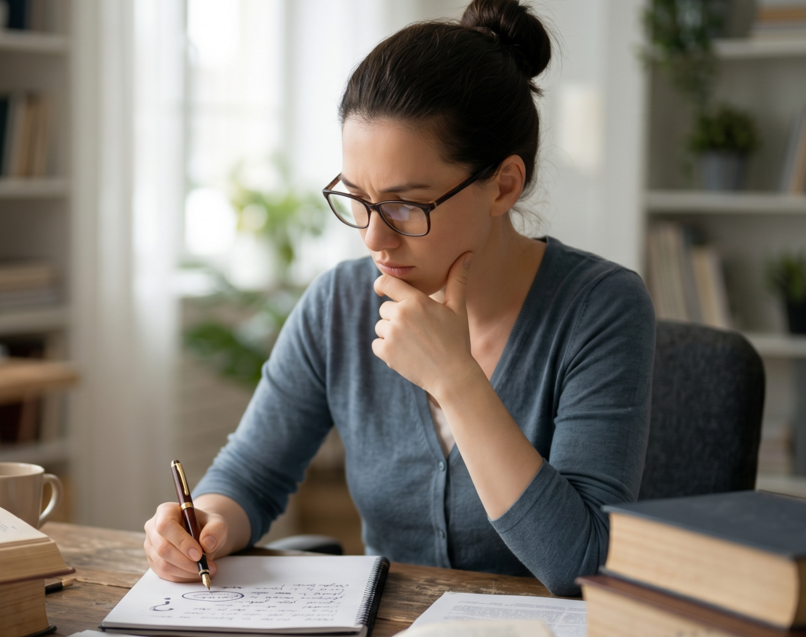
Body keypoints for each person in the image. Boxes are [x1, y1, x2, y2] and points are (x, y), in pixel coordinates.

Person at [143, 0, 654, 596]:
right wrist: (205, 524)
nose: (373, 237)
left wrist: (456, 380)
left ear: (503, 185)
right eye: (357, 198)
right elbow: (251, 474)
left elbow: (582, 563)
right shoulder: (338, 305)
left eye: (407, 204)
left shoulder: (601, 309)